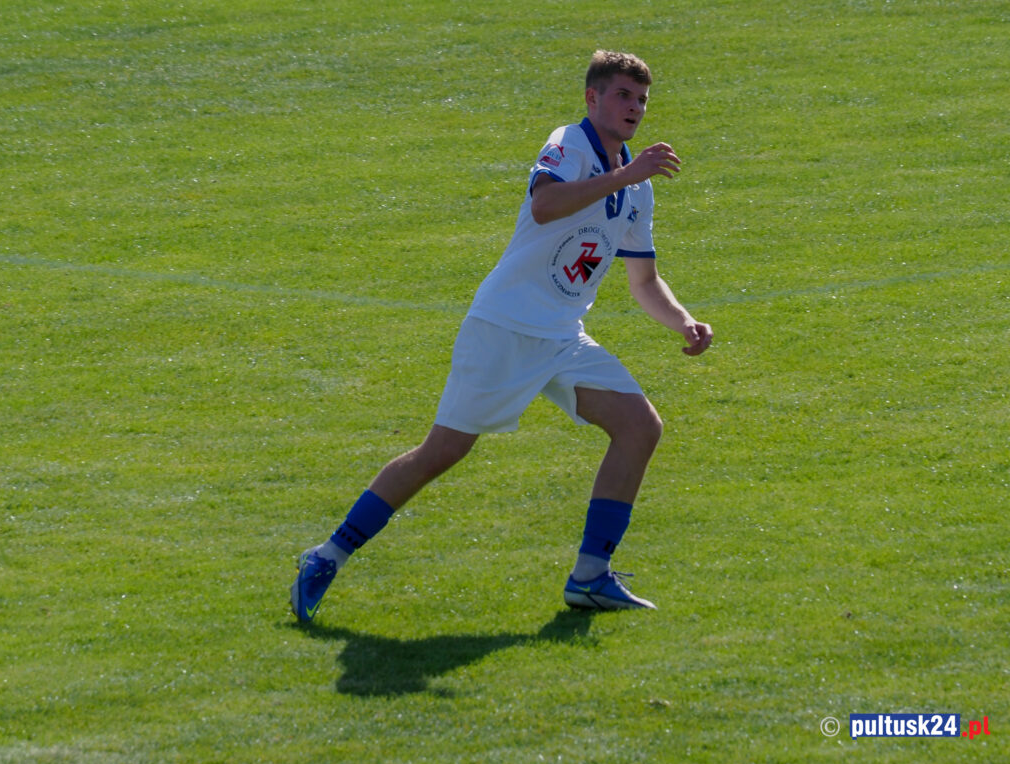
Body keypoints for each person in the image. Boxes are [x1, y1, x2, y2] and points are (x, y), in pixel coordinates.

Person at [291, 50, 713, 621]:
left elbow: (644, 280)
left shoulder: (638, 188)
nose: (635, 107)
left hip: (562, 337)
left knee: (640, 427)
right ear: (592, 98)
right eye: (622, 95)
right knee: (441, 453)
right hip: (504, 327)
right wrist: (625, 174)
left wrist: (682, 320)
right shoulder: (570, 143)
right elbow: (545, 205)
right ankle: (326, 556)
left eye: (641, 99)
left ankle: (590, 575)